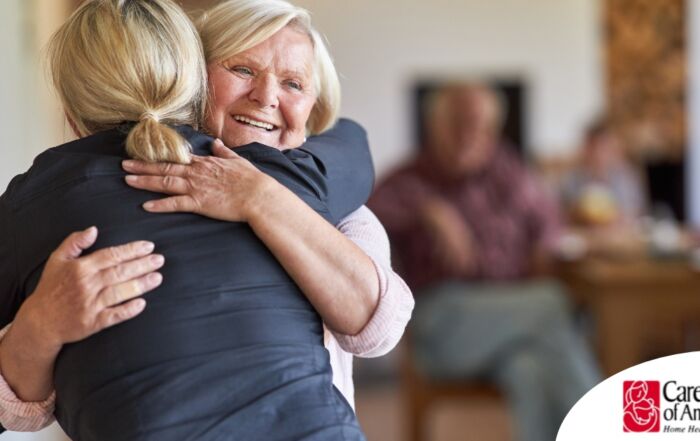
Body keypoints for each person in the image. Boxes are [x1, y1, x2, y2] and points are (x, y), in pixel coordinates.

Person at [0, 0, 413, 439]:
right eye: (242, 70)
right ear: (191, 79)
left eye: (293, 83)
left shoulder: (326, 199)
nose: (267, 97)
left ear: (314, 107)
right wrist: (39, 326)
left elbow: (378, 330)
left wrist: (260, 199)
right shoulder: (63, 203)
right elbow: (28, 407)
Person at [369, 83, 599, 441]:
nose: (469, 135)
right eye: (458, 123)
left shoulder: (508, 172)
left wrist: (543, 244)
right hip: (443, 327)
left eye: (481, 126)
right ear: (434, 126)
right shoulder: (408, 179)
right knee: (553, 303)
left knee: (529, 369)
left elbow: (551, 222)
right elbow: (363, 215)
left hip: (513, 325)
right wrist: (429, 210)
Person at [561, 119, 646, 227]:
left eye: (603, 147)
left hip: (619, 237)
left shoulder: (625, 178)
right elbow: (563, 214)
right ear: (585, 149)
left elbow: (634, 212)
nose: (598, 154)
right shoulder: (572, 180)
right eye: (593, 147)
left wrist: (616, 219)